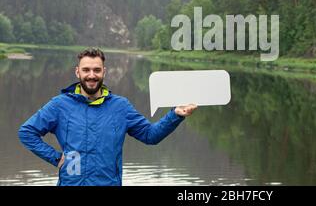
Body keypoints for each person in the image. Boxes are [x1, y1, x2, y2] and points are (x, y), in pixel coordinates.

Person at [18, 47, 197, 186]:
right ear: (77, 72)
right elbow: (27, 132)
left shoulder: (121, 107)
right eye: (86, 70)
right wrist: (56, 158)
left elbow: (150, 135)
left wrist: (175, 115)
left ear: (104, 72)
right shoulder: (60, 105)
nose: (91, 75)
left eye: (96, 70)